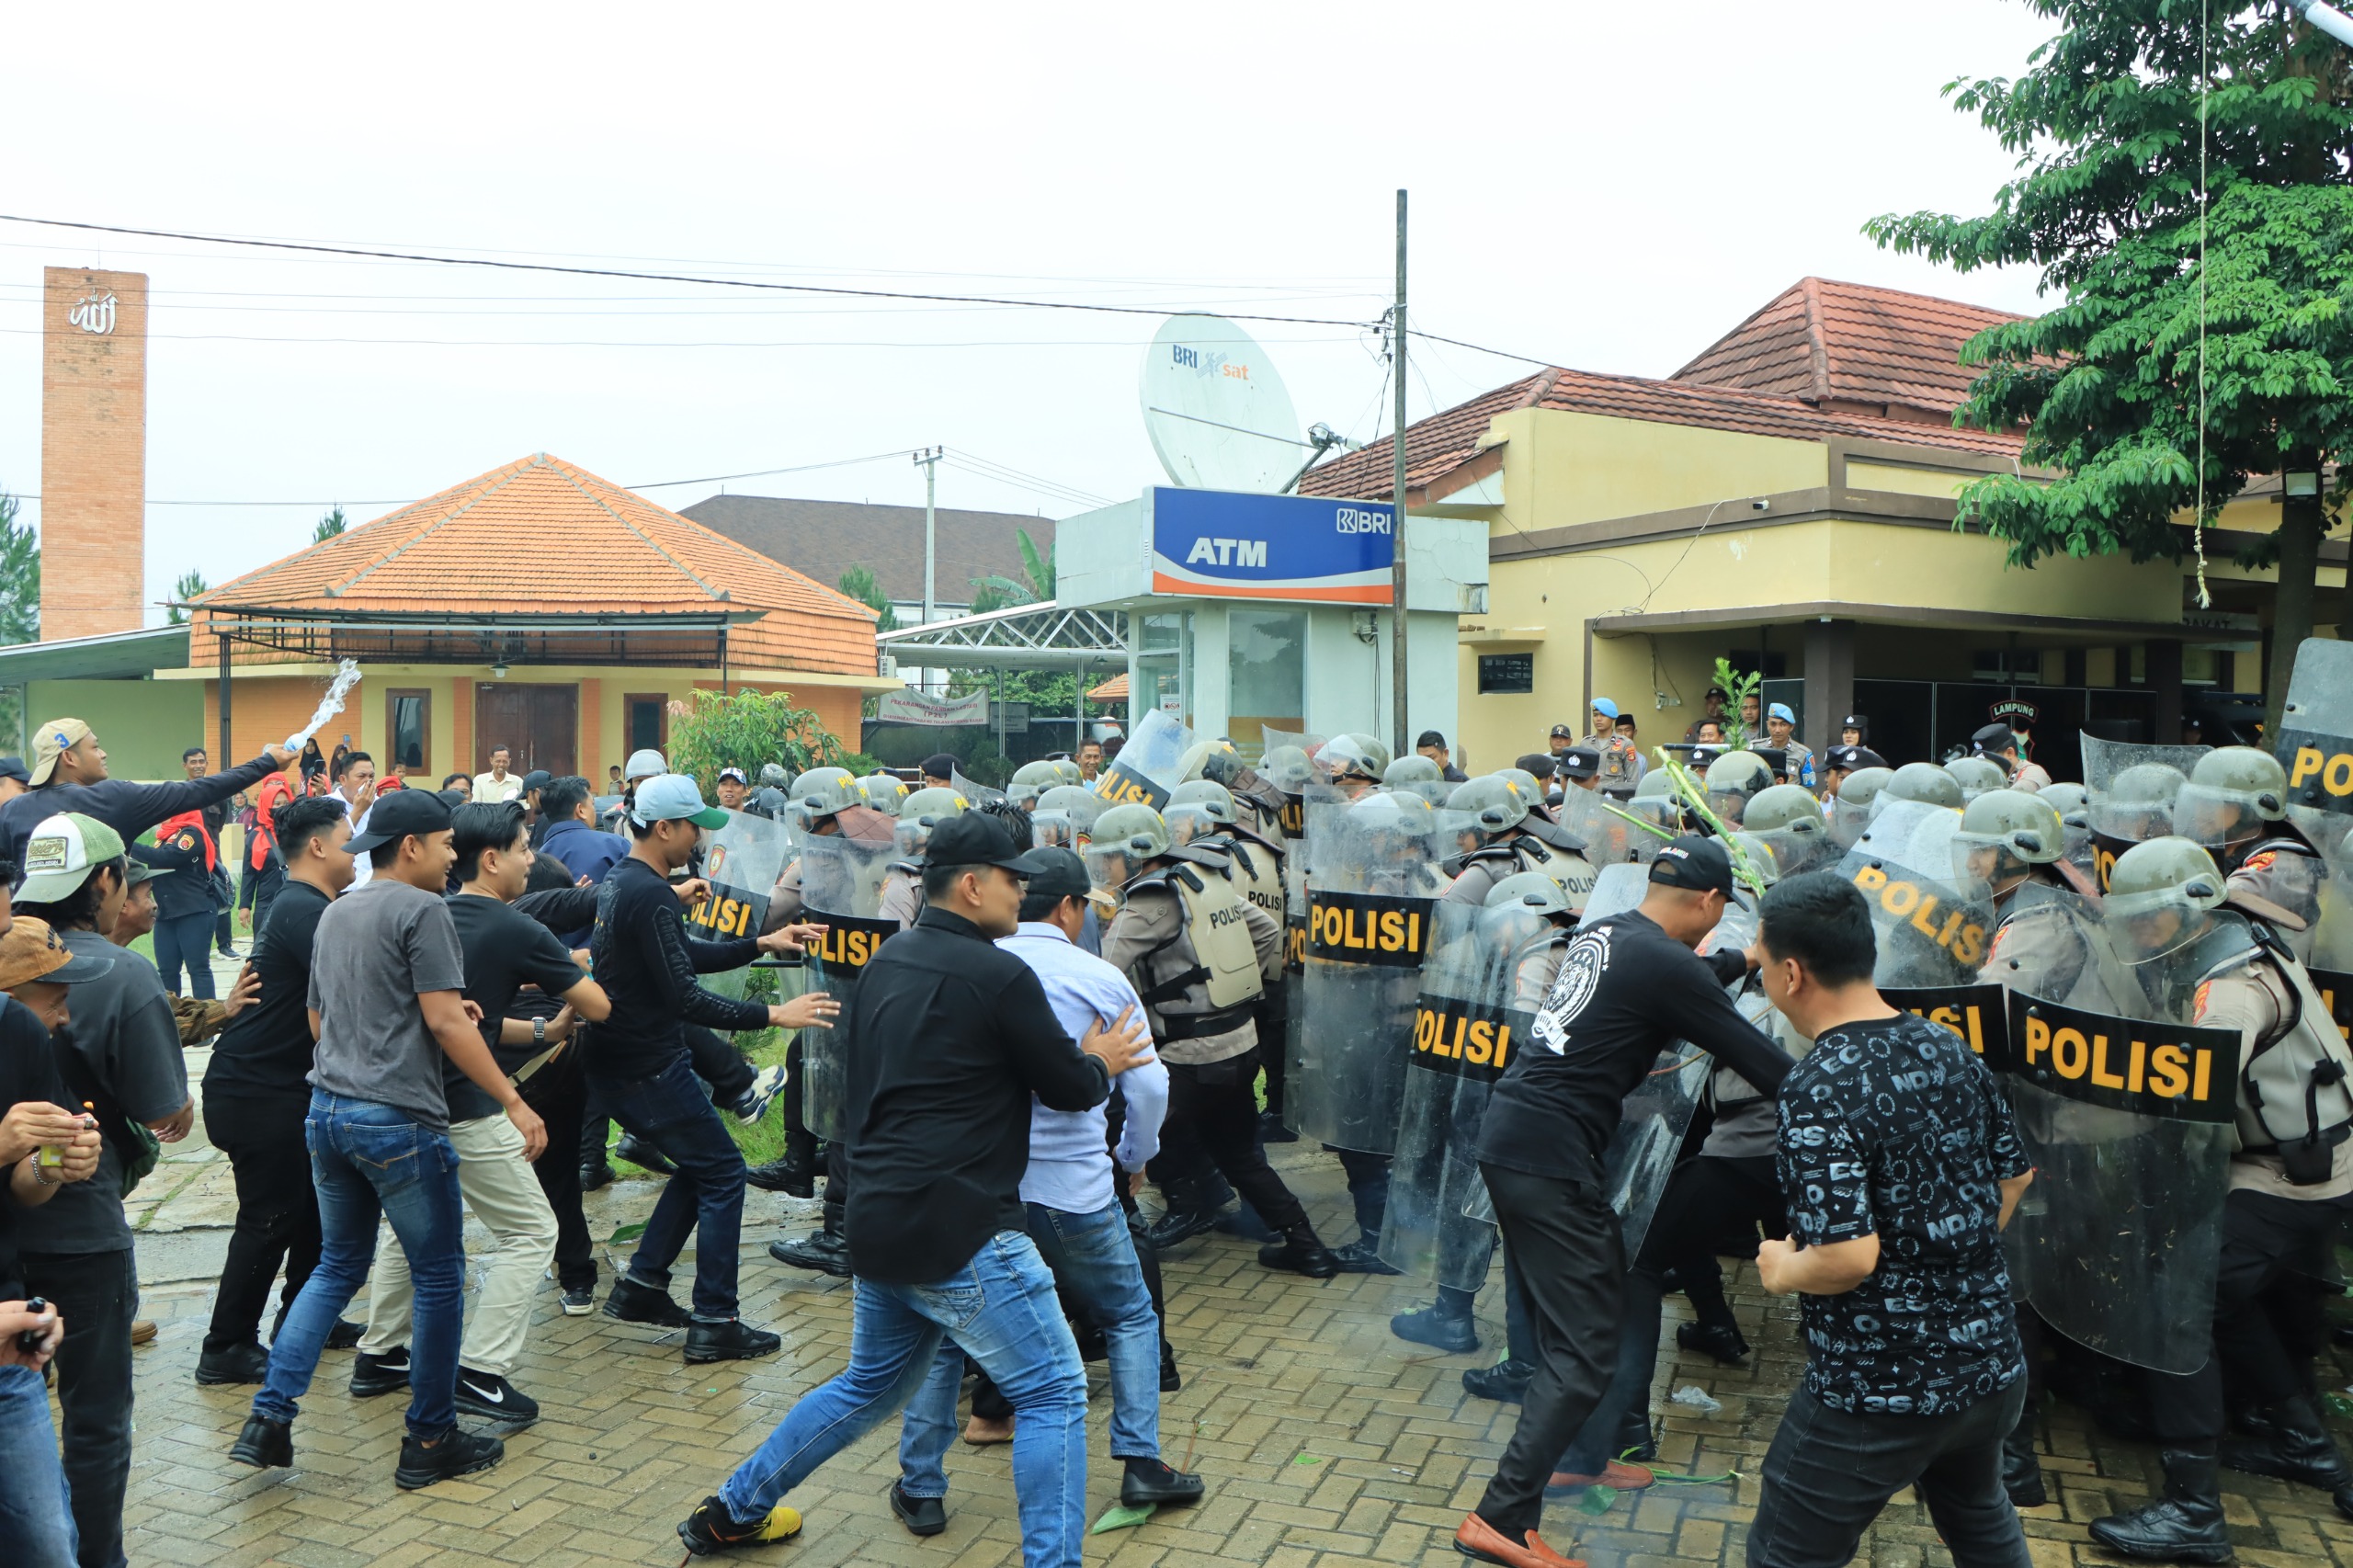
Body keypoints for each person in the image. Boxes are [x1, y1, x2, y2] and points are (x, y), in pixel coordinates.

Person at [675, 812, 1152, 1560]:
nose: (1021, 894)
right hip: (964, 1229)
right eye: (1012, 880)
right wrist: (1101, 1061)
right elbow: (1069, 1089)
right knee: (1054, 1390)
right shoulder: (1001, 975)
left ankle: (731, 1511)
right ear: (973, 886)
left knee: (868, 1387)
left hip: (880, 1216)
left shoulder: (888, 960)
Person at [1454, 836, 1790, 1568]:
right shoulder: (1665, 963)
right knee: (1585, 1346)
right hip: (1546, 1159)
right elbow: (1761, 1060)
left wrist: (1745, 959)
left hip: (1520, 1141)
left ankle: (1579, 1457)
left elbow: (1692, 976)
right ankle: (1501, 1518)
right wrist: (1856, 1094)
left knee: (1599, 1294)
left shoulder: (1611, 932)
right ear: (1710, 901)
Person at [228, 788, 550, 1492]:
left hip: (327, 1113)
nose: (453, 858)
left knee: (336, 1268)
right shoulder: (424, 909)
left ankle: (269, 1419)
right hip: (398, 1122)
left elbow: (322, 1022)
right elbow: (446, 1024)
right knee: (439, 1277)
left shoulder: (338, 911)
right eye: (445, 845)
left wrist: (423, 1017)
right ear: (410, 847)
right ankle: (430, 1438)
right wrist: (513, 1100)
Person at [891, 846, 1199, 1530]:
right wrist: (1133, 1157)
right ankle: (1141, 1461)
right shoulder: (1097, 977)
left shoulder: (969, 968)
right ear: (1068, 907)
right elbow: (1150, 1084)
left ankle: (922, 1486)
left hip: (979, 1190)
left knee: (948, 1333)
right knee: (1130, 1315)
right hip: (1076, 1193)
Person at [1745, 871, 2037, 1568]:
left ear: (1792, 973)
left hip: (1880, 1387)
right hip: (1990, 1365)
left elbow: (1847, 1258)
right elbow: (2016, 1175)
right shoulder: (1947, 1046)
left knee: (1786, 1553)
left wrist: (1782, 1270)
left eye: (1761, 966)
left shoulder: (1819, 1086)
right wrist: (1949, 1259)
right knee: (1980, 1517)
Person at [2087, 838, 2353, 1559]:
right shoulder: (2230, 935)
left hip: (2288, 1177)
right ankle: (2303, 1444)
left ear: (2191, 909)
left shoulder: (2229, 991)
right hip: (2293, 1162)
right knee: (2224, 1300)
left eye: (2150, 916)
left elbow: (2190, 1100)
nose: (2139, 930)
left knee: (2177, 1308)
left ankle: (2194, 1512)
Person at [352, 801, 608, 1424]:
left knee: (408, 1231)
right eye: (524, 848)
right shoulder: (514, 927)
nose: (531, 860)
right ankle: (481, 1370)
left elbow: (474, 1020)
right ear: (491, 859)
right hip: (467, 1106)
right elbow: (598, 1007)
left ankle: (380, 1353)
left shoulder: (426, 914)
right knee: (533, 1232)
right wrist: (579, 969)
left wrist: (542, 1030)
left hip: (403, 1100)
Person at [588, 774, 835, 1358]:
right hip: (647, 1065)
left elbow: (680, 957)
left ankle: (644, 1285)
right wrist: (775, 1013)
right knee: (724, 1172)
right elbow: (686, 998)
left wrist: (760, 943)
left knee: (704, 1166)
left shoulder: (627, 882)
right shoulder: (651, 894)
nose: (699, 837)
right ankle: (716, 1321)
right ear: (664, 828)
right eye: (693, 826)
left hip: (620, 1060)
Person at [11, 815, 198, 1568]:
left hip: (15, 1238)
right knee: (93, 1421)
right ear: (106, 882)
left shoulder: (14, 964)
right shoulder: (122, 975)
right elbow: (163, 1108)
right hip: (81, 1237)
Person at [1091, 804, 1334, 1275]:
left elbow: (1101, 974)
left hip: (1190, 1058)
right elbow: (1265, 930)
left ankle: (1118, 1255)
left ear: (1134, 854)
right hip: (1239, 1044)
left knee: (1124, 1146)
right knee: (1240, 1156)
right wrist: (1228, 990)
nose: (1105, 869)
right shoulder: (1200, 880)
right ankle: (1307, 1246)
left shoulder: (1145, 904)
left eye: (1109, 858)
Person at [198, 797, 359, 1385]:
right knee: (270, 1217)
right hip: (255, 1090)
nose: (357, 852)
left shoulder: (311, 905)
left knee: (313, 1207)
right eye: (348, 839)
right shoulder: (303, 909)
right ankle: (225, 1347)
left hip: (281, 1086)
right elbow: (363, 981)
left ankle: (304, 1316)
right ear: (318, 846)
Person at [0, 919, 110, 1568]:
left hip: (10, 1346)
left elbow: (22, 1188)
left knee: (48, 1547)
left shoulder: (14, 1030)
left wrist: (53, 1163)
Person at [0, 719, 295, 880]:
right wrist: (267, 762)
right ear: (69, 758)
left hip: (28, 938)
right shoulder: (113, 798)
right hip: (92, 940)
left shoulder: (12, 811)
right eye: (95, 747)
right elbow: (200, 791)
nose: (103, 754)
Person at [1575, 699, 1643, 792]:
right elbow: (1579, 777)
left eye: (1603, 715)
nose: (1598, 719)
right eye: (1595, 715)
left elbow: (1633, 781)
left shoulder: (1625, 744)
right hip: (1589, 797)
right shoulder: (1585, 743)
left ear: (1613, 718)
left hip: (1614, 798)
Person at [1972, 722, 2052, 793]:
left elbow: (2012, 799)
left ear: (2009, 753)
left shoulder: (2032, 773)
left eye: (1990, 760)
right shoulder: (1987, 777)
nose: (1985, 766)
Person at [1759, 703, 1815, 789]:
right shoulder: (1755, 748)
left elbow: (1808, 788)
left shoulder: (1804, 754)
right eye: (1773, 724)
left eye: (1783, 725)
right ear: (1767, 725)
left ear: (1791, 727)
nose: (1777, 730)